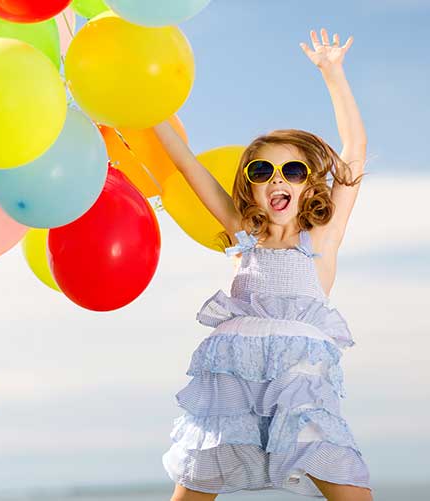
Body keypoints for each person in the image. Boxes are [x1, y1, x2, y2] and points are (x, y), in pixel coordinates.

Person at [153, 28, 371, 501]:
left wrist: (333, 73)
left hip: (299, 384)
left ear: (309, 184)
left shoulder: (321, 240)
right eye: (261, 171)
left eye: (292, 171)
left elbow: (353, 154)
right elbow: (188, 164)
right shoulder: (240, 234)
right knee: (196, 481)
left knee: (347, 485)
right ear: (250, 187)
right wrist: (145, 111)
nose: (278, 179)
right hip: (232, 378)